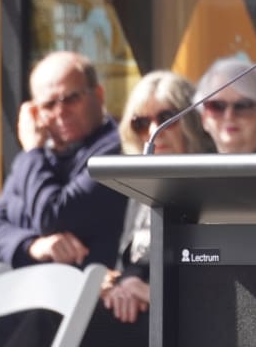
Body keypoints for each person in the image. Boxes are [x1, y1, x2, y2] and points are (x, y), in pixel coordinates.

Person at [0, 51, 128, 345]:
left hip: (80, 315)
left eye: (71, 98)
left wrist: (31, 151)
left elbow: (53, 216)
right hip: (18, 301)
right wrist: (33, 245)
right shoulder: (39, 158)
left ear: (98, 94)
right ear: (35, 112)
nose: (60, 112)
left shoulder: (115, 150)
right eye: (49, 105)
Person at [81, 71, 215, 347]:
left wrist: (153, 292)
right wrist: (116, 286)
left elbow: (216, 279)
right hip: (132, 314)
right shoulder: (140, 190)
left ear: (191, 121)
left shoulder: (209, 187)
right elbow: (132, 263)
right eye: (142, 123)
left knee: (51, 322)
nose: (154, 130)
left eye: (166, 119)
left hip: (181, 323)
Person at [195, 57, 256, 153]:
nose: (229, 116)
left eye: (243, 106)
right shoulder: (189, 167)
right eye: (217, 106)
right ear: (204, 118)